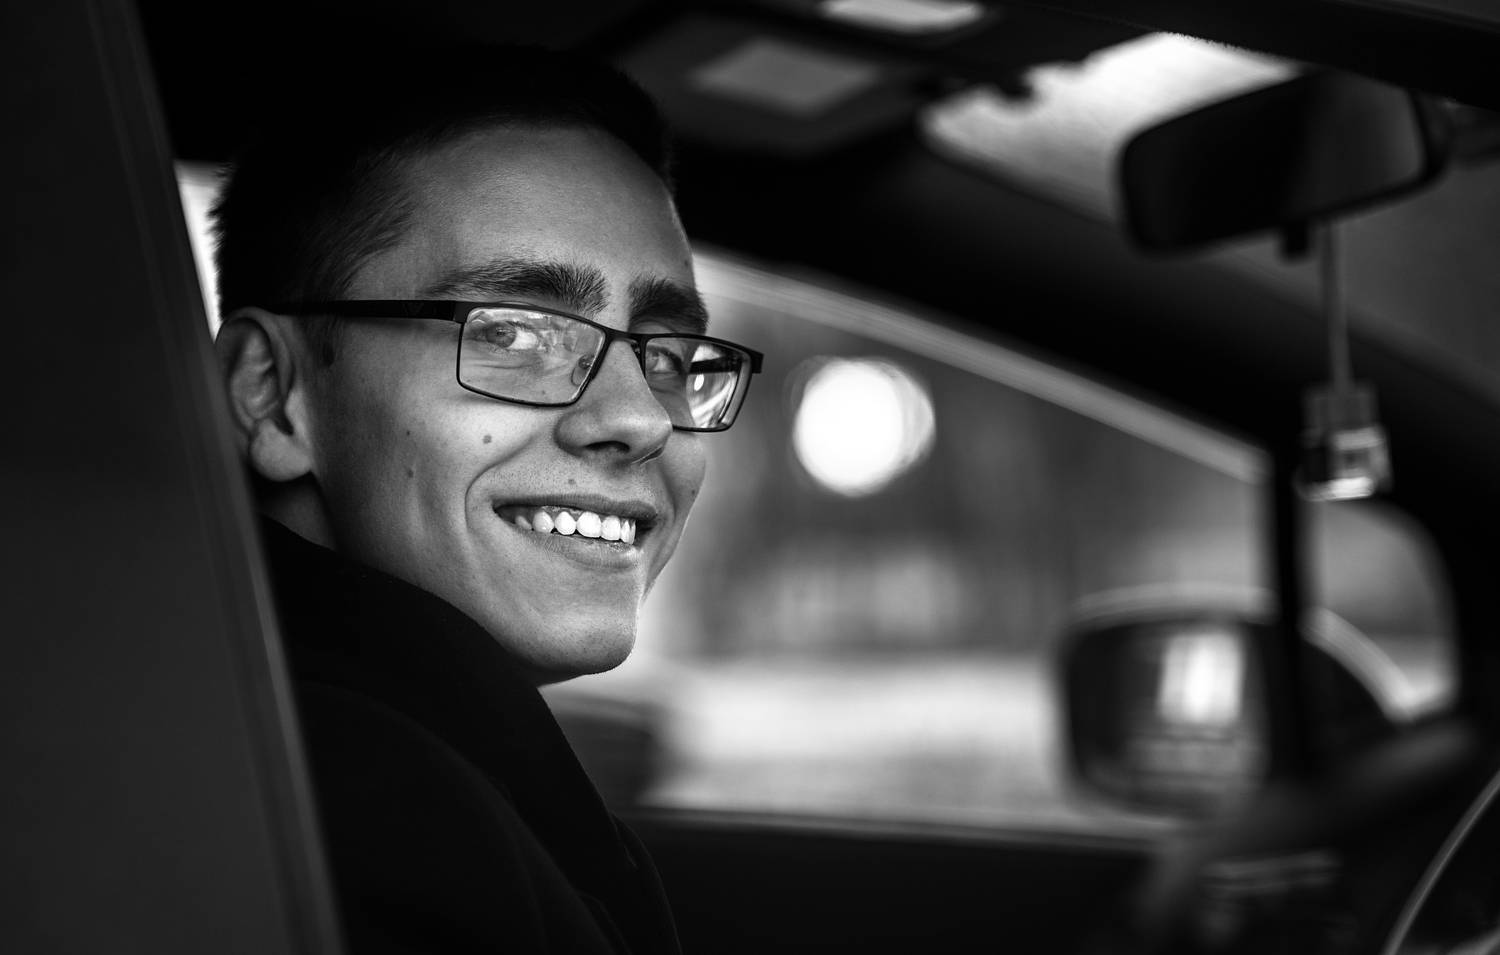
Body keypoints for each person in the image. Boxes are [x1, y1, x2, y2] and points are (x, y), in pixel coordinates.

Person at [211, 48, 761, 953]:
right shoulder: (355, 815)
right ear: (270, 394)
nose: (638, 418)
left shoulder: (430, 767)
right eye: (513, 333)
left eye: (666, 353)